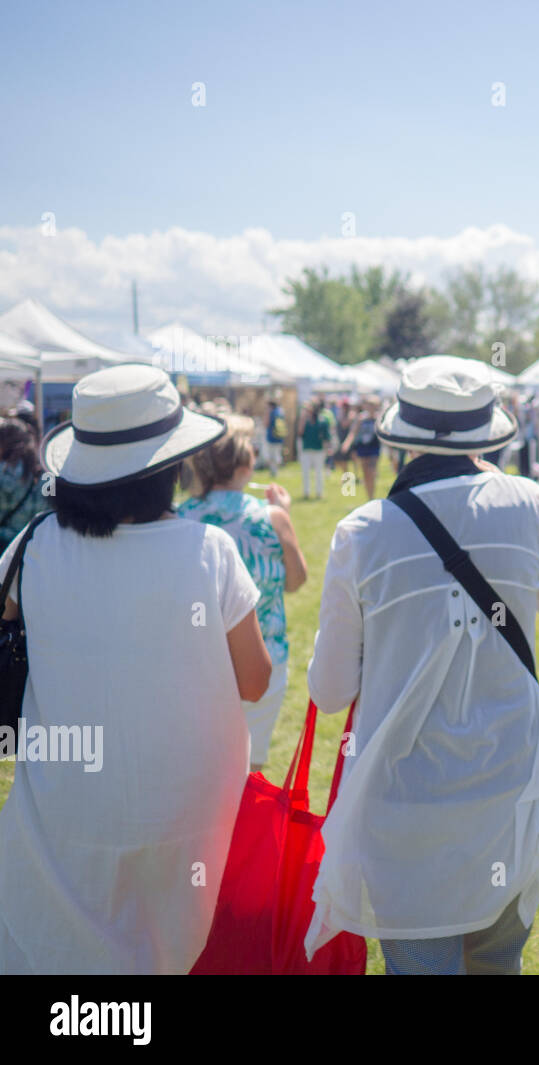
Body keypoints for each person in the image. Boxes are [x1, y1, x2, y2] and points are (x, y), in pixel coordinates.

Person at [305, 355, 539, 976]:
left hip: (408, 797)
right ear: (486, 434)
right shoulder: (529, 501)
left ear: (404, 436)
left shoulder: (362, 531)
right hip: (510, 779)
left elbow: (328, 692)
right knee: (497, 961)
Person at [0, 365, 271, 975]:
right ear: (171, 465)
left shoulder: (33, 547)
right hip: (192, 813)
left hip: (63, 807)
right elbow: (254, 682)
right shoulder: (210, 552)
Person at [179, 415, 309, 772]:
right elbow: (296, 581)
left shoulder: (177, 517)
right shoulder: (271, 518)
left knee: (202, 768)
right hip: (263, 656)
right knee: (249, 770)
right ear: (246, 462)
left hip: (195, 658)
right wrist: (283, 515)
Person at [0, 418, 48, 550]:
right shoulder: (47, 473)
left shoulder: (2, 471)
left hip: (6, 546)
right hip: (37, 544)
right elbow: (51, 510)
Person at [343, 397, 381, 500]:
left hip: (374, 447)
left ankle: (372, 494)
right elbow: (353, 432)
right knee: (365, 472)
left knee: (371, 470)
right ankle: (369, 496)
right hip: (363, 447)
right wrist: (347, 443)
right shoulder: (361, 418)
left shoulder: (378, 418)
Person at [298, 398, 330, 500]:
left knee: (319, 472)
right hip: (307, 449)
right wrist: (302, 418)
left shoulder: (323, 421)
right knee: (306, 472)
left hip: (318, 450)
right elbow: (300, 433)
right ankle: (306, 492)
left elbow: (326, 437)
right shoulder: (305, 420)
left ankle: (319, 492)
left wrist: (327, 450)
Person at [265, 393, 287, 476]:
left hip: (271, 436)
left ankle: (273, 471)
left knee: (272, 455)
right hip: (279, 436)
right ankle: (276, 470)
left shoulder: (271, 412)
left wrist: (266, 413)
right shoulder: (280, 411)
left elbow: (266, 424)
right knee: (277, 454)